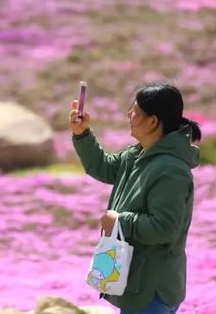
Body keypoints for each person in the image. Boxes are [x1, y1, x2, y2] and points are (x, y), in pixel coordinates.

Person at [70, 82, 201, 314]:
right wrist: (82, 135)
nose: (129, 115)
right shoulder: (138, 155)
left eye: (136, 111)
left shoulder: (171, 170)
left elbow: (164, 228)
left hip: (152, 289)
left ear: (153, 121)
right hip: (138, 283)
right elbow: (103, 167)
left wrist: (120, 221)